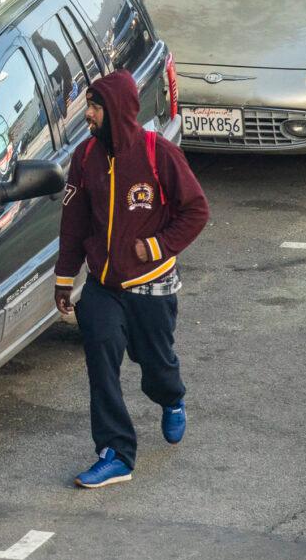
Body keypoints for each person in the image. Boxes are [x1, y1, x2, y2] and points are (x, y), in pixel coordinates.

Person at [54, 69, 209, 488]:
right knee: (101, 361)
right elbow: (74, 224)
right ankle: (115, 452)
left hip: (152, 286)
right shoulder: (85, 158)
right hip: (104, 288)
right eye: (88, 105)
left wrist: (156, 247)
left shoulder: (159, 154)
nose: (87, 115)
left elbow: (196, 211)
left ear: (117, 110)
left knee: (155, 365)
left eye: (94, 107)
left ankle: (172, 398)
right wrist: (64, 278)